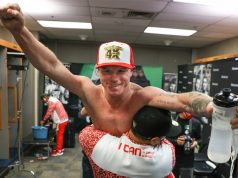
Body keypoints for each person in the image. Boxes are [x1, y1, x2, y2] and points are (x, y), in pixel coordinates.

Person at [1, 3, 238, 173]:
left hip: (139, 167)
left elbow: (185, 100)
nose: (114, 78)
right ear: (98, 70)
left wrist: (213, 107)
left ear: (131, 71)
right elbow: (51, 65)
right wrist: (19, 30)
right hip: (101, 164)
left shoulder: (143, 95)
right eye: (107, 70)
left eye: (121, 71)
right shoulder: (88, 90)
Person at [79, 106, 180, 178]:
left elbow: (86, 132)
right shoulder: (168, 154)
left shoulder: (97, 142)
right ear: (155, 140)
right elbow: (168, 144)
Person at [168, 112, 201, 178]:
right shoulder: (170, 121)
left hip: (187, 160)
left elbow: (199, 139)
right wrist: (176, 141)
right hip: (171, 159)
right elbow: (163, 138)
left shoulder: (196, 123)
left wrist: (196, 143)